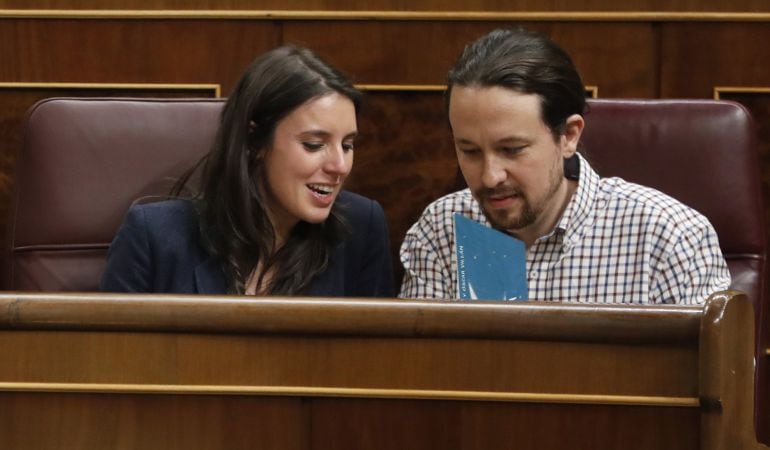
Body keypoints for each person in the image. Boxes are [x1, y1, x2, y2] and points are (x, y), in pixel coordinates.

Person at [399, 27, 730, 304]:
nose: (490, 176)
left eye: (512, 149)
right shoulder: (441, 231)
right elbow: (422, 376)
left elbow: (712, 380)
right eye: (469, 151)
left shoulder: (668, 237)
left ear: (568, 135)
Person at [101, 45, 394, 297]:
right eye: (314, 145)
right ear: (255, 140)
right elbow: (112, 358)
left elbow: (377, 357)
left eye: (347, 145)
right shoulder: (153, 236)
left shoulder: (362, 229)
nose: (339, 166)